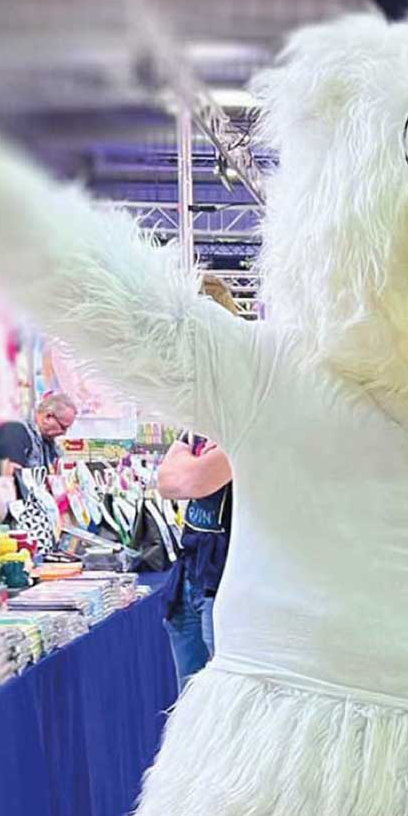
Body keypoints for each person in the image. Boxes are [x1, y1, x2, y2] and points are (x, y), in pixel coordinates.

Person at [154, 278, 241, 687]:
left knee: (225, 702)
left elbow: (196, 478)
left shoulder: (246, 399)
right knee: (188, 703)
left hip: (227, 582)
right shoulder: (200, 407)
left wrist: (188, 467)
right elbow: (168, 480)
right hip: (191, 574)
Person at [0, 391, 75, 473]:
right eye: (63, 427)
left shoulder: (47, 442)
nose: (64, 433)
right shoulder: (15, 432)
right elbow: (11, 474)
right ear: (48, 416)